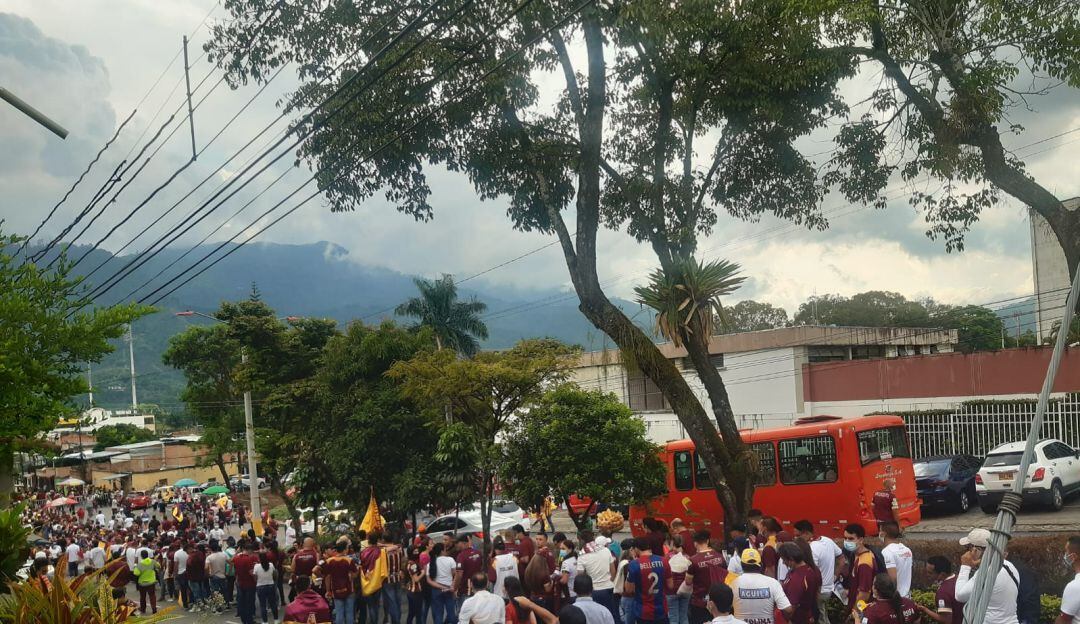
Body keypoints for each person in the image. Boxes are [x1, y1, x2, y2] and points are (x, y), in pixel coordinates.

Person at [954, 528, 1019, 624]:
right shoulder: (1009, 565)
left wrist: (965, 567)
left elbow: (960, 596)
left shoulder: (986, 572)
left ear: (976, 550)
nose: (966, 552)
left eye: (968, 548)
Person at [792, 519, 841, 624]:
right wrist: (835, 576)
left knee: (820, 619)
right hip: (828, 589)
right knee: (823, 616)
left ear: (806, 533)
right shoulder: (827, 540)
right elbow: (841, 559)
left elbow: (810, 573)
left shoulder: (811, 548)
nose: (795, 539)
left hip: (818, 591)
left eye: (797, 536)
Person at [729, 548, 792, 624]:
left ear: (742, 565)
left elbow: (726, 609)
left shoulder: (733, 584)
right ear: (761, 565)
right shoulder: (773, 583)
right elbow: (788, 609)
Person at [683, 530, 727, 624]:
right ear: (707, 541)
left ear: (695, 543)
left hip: (699, 603)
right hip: (718, 601)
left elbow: (688, 582)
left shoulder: (693, 560)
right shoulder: (720, 557)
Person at [624, 537, 670, 624]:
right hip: (661, 609)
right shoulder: (664, 561)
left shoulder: (634, 564)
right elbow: (670, 585)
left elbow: (628, 590)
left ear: (636, 548)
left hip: (643, 611)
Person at [315, 541, 358, 624]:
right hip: (349, 589)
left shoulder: (329, 561)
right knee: (349, 613)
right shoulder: (349, 560)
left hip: (336, 590)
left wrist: (327, 587)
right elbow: (355, 575)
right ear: (345, 549)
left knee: (339, 613)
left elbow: (322, 573)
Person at [578, 531, 618, 621]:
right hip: (609, 588)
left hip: (594, 591)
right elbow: (613, 571)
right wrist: (609, 582)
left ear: (581, 540)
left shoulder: (582, 555)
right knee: (611, 616)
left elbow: (580, 577)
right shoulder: (606, 550)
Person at [778, 542, 820, 624]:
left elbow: (791, 608)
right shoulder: (807, 570)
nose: (783, 563)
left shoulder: (799, 578)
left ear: (791, 559)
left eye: (784, 560)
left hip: (797, 619)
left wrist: (786, 620)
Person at [842, 524, 876, 616]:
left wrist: (855, 613)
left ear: (861, 540)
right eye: (845, 538)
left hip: (862, 612)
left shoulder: (865, 563)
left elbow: (864, 594)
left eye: (851, 539)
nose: (847, 541)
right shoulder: (855, 555)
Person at [917, 555, 963, 624]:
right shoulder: (959, 580)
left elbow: (946, 620)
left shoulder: (943, 592)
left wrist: (925, 609)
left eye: (930, 573)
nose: (927, 575)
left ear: (942, 574)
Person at [879, 522, 913, 598]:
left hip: (895, 598)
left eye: (880, 531)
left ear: (883, 534)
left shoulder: (887, 552)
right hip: (907, 596)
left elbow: (892, 579)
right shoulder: (906, 550)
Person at [428, 542, 458, 624]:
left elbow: (429, 580)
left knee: (438, 614)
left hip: (436, 590)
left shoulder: (431, 563)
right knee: (451, 613)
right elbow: (455, 574)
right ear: (442, 551)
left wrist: (441, 586)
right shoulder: (450, 560)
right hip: (449, 589)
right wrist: (452, 585)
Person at [234, 540, 262, 624]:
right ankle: (249, 620)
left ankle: (243, 620)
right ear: (250, 550)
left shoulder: (236, 558)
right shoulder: (248, 559)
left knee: (242, 602)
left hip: (240, 583)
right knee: (249, 603)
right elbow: (251, 573)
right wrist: (256, 580)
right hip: (249, 584)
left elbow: (232, 565)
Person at [665, 536, 691, 624]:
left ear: (673, 544)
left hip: (671, 592)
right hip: (685, 590)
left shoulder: (667, 557)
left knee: (673, 618)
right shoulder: (687, 557)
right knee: (684, 616)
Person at [1059, 536, 1080, 624]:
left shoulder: (1075, 586)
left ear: (1073, 556)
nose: (1065, 555)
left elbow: (1063, 620)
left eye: (1066, 552)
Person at [254, 550, 280, 624]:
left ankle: (265, 622)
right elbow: (275, 575)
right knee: (273, 604)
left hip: (260, 587)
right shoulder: (271, 565)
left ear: (259, 558)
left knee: (263, 605)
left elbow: (255, 578)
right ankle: (276, 620)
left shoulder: (256, 566)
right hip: (270, 586)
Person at [135, 547, 162, 615]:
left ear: (141, 556)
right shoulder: (153, 561)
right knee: (152, 596)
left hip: (142, 583)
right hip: (151, 582)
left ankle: (143, 609)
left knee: (142, 597)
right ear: (148, 555)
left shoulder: (140, 564)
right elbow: (158, 566)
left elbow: (136, 573)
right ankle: (154, 609)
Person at [207, 541, 229, 611]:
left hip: (214, 576)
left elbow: (206, 567)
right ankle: (226, 604)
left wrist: (209, 574)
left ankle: (218, 607)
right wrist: (227, 572)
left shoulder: (209, 557)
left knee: (215, 592)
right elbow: (231, 563)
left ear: (210, 549)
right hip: (223, 575)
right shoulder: (223, 555)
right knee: (224, 591)